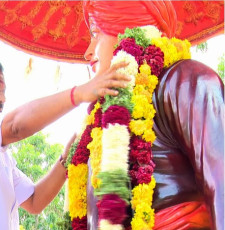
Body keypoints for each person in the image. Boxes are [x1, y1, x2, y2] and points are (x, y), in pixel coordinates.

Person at [0, 52, 131, 230]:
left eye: (3, 93)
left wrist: (67, 159)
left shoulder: (0, 155)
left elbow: (33, 201)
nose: (1, 99)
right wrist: (80, 93)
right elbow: (15, 126)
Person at [79, 1, 224, 230]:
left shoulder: (186, 81)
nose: (88, 52)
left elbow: (222, 186)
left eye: (96, 33)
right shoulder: (98, 129)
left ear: (125, 29)